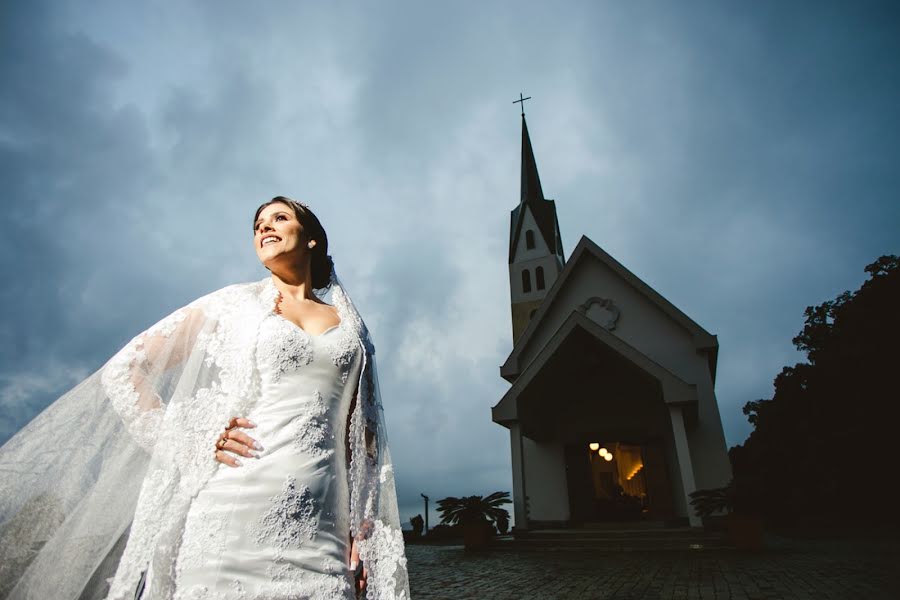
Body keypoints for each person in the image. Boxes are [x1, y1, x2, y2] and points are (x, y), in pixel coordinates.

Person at [0, 197, 410, 599]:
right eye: (257, 225)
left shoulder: (352, 329)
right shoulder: (233, 304)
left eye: (279, 218)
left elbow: (365, 440)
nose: (263, 227)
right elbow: (126, 371)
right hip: (229, 512)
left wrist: (364, 529)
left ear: (311, 240)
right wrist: (192, 438)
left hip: (325, 533)